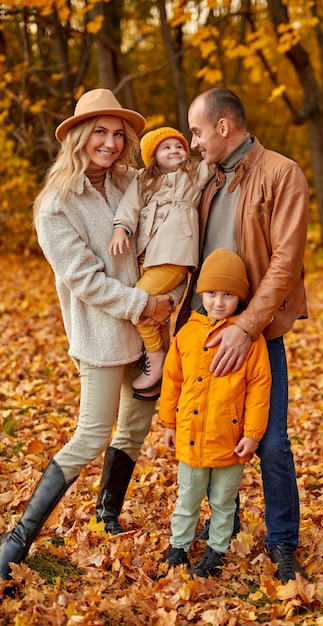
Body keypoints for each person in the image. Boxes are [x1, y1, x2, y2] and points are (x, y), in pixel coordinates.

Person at [0, 89, 178, 582]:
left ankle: (107, 514)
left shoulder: (131, 182)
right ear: (79, 136)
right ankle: (16, 539)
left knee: (134, 428)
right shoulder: (55, 205)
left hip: (148, 336)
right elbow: (85, 279)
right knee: (92, 433)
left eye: (119, 134)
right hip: (102, 335)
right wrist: (146, 303)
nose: (111, 142)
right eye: (100, 131)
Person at [175, 88, 309, 584]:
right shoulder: (206, 180)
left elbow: (286, 263)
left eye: (197, 131)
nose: (192, 142)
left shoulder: (282, 174)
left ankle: (283, 543)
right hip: (201, 332)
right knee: (209, 438)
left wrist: (246, 328)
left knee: (269, 442)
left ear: (223, 127)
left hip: (256, 333)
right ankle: (215, 538)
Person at [160, 249, 271, 578]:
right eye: (211, 294)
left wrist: (252, 434)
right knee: (188, 496)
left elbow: (259, 386)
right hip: (192, 439)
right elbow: (173, 381)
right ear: (200, 294)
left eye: (228, 295)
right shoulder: (186, 334)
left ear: (240, 297)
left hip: (230, 439)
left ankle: (217, 549)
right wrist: (168, 424)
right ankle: (178, 546)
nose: (218, 302)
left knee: (224, 501)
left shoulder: (250, 339)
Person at [108, 127, 214, 400]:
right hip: (148, 257)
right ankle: (167, 373)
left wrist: (208, 138)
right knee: (155, 315)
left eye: (179, 146)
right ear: (153, 156)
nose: (175, 151)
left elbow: (214, 159)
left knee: (140, 301)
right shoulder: (144, 179)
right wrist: (122, 228)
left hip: (176, 254)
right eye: (166, 148)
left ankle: (155, 358)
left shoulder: (193, 174)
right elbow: (129, 207)